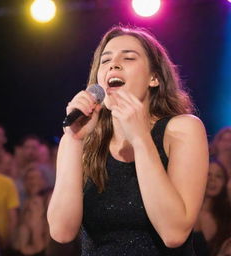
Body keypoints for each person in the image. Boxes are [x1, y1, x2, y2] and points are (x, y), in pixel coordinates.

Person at [47, 25, 209, 255]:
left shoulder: (182, 129)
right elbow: (62, 232)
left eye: (129, 58)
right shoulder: (79, 140)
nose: (113, 64)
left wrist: (141, 138)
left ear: (154, 78)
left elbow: (174, 233)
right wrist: (74, 141)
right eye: (105, 60)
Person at [194, 160, 231, 256]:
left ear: (225, 183)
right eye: (208, 174)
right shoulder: (188, 211)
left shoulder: (226, 218)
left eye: (218, 176)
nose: (212, 180)